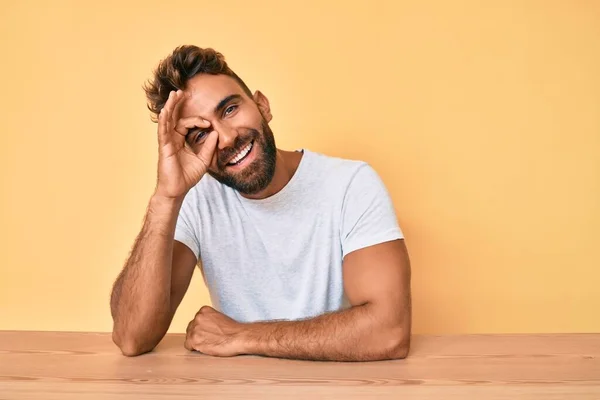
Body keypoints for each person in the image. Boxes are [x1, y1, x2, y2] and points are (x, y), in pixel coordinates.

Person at [110, 45, 412, 361]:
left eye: (229, 110)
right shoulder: (195, 199)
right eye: (200, 134)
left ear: (262, 106)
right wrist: (165, 198)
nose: (225, 138)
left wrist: (243, 336)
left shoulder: (351, 184)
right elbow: (132, 338)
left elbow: (388, 332)